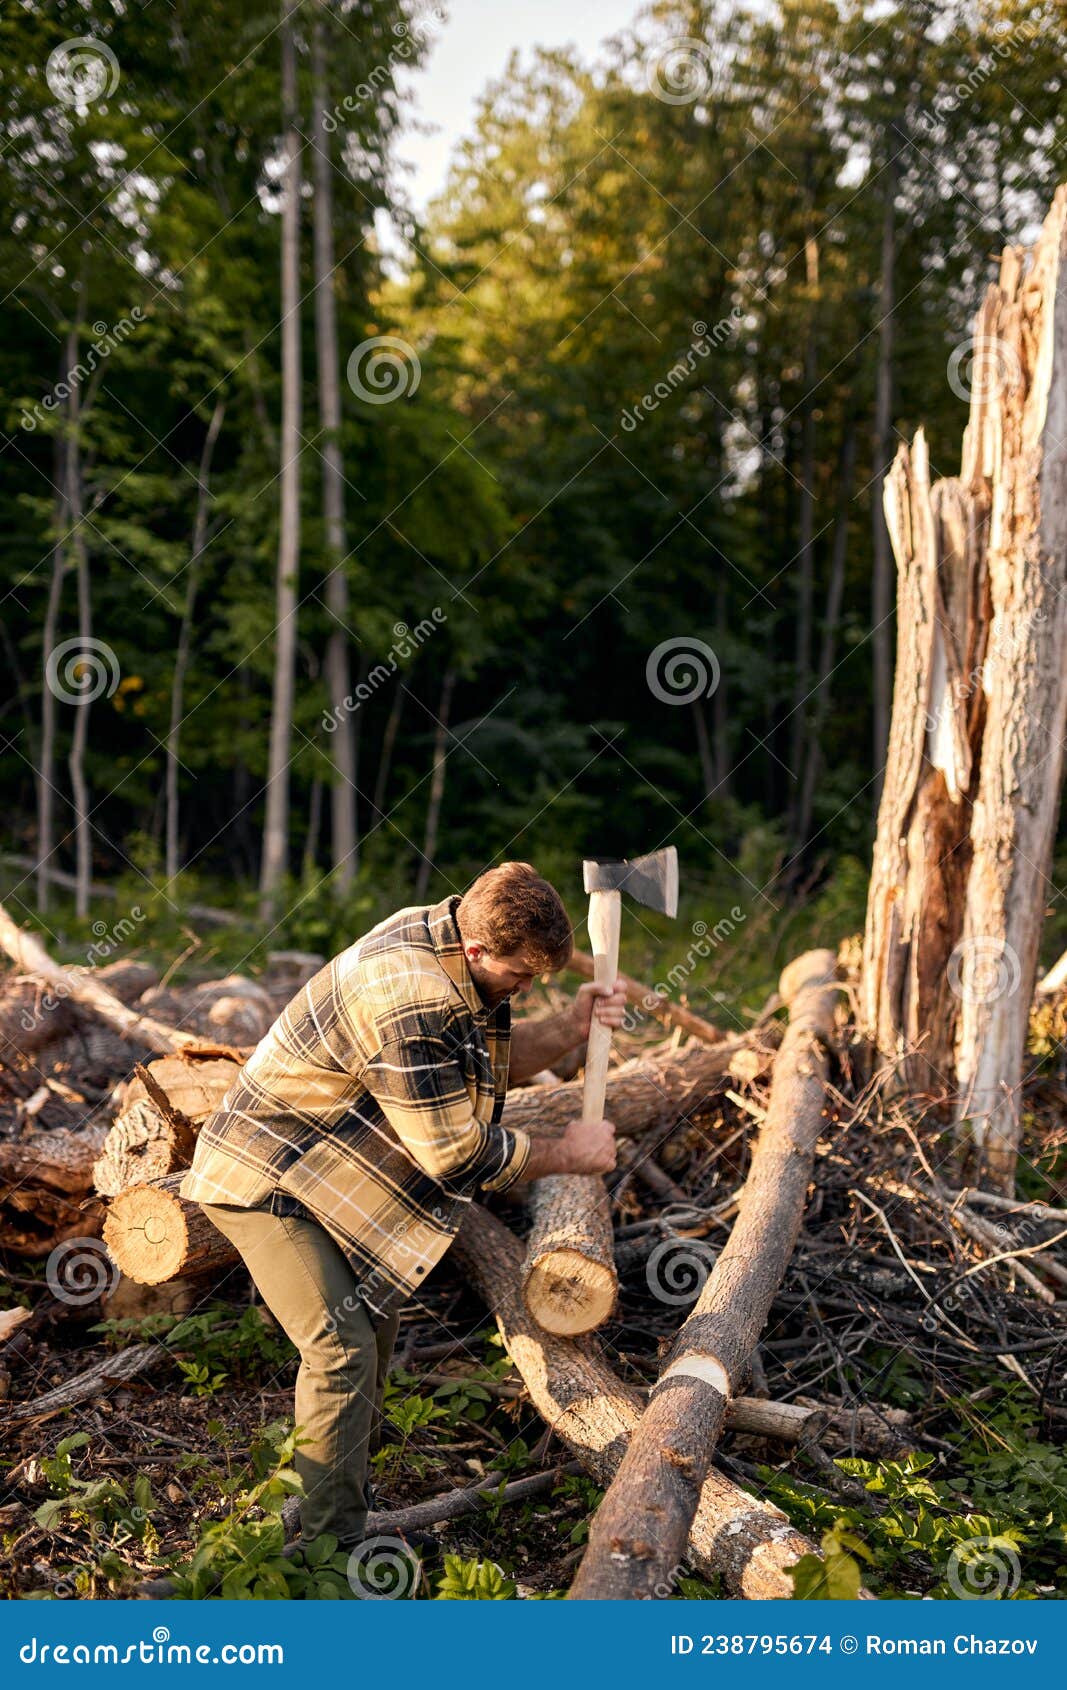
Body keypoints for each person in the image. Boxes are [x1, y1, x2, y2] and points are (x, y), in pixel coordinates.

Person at [180, 862, 624, 1555]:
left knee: (376, 1322)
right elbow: (451, 1153)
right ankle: (329, 1555)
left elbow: (482, 1063)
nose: (524, 990)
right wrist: (566, 1154)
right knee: (341, 1349)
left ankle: (338, 1478)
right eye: (521, 976)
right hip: (266, 1175)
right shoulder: (412, 998)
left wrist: (573, 1024)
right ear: (478, 951)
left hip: (334, 1166)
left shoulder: (450, 938)